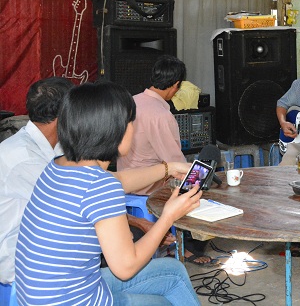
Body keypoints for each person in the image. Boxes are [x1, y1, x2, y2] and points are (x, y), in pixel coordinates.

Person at [15, 82, 202, 305]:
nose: (133, 128)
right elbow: (126, 267)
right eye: (131, 121)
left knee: (173, 272)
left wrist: (169, 168)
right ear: (115, 129)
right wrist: (168, 217)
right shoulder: (99, 185)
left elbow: (118, 180)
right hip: (71, 300)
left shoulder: (59, 166)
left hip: (40, 296)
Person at [116, 54, 210, 265]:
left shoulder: (130, 101)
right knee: (196, 183)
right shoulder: (161, 115)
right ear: (176, 85)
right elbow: (175, 162)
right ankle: (185, 247)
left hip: (124, 179)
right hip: (147, 186)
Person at [0, 77, 73, 285]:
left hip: (40, 247)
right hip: (20, 263)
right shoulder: (24, 158)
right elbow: (75, 201)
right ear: (64, 115)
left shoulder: (51, 145)